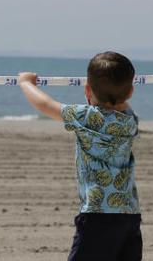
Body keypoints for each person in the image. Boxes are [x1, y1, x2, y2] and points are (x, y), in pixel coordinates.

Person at [18, 52, 142, 261]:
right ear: (131, 92)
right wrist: (117, 92)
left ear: (86, 89)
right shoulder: (130, 121)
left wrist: (26, 83)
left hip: (96, 214)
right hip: (129, 216)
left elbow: (46, 105)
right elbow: (120, 102)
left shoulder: (85, 116)